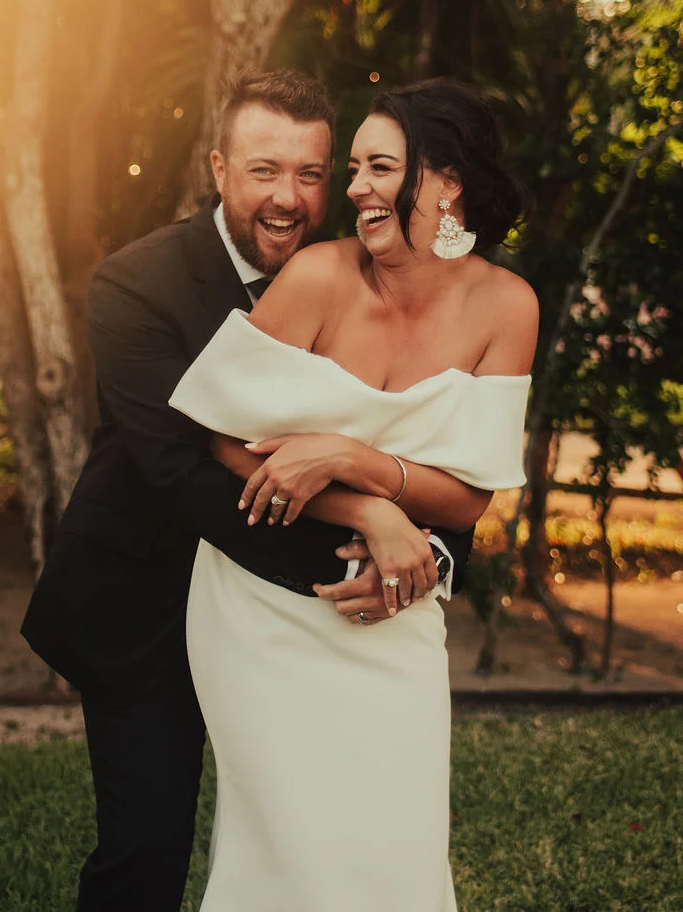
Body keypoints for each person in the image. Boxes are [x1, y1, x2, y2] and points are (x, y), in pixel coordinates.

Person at [21, 71, 477, 912]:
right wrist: (366, 526)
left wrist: (428, 550)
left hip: (298, 632)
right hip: (147, 605)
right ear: (219, 168)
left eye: (309, 174)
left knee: (315, 840)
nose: (287, 197)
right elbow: (181, 470)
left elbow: (425, 431)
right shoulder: (135, 285)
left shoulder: (370, 274)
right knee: (145, 848)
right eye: (264, 171)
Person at [168, 78, 537, 911]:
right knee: (289, 851)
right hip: (258, 612)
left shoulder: (507, 305)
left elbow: (469, 495)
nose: (358, 188)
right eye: (358, 168)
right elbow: (223, 433)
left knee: (394, 848)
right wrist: (368, 508)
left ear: (446, 184)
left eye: (381, 167)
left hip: (395, 612)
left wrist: (350, 457)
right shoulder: (318, 276)